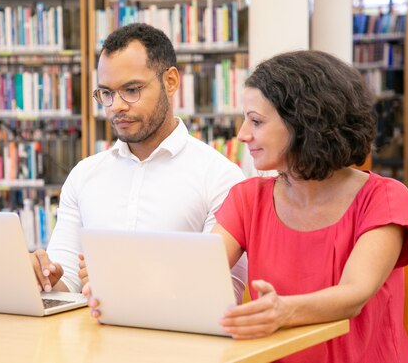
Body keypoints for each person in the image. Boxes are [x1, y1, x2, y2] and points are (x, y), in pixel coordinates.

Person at [211, 50, 408, 362]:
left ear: (305, 123)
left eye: (255, 121)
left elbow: (353, 296)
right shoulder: (247, 199)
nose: (242, 135)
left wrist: (284, 310)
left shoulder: (384, 197)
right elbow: (197, 274)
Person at [30, 23, 247, 297]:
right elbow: (69, 283)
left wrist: (125, 282)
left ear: (170, 82)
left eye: (131, 90)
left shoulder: (220, 177)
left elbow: (225, 294)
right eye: (106, 93)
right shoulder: (83, 175)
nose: (116, 106)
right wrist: (41, 278)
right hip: (92, 337)